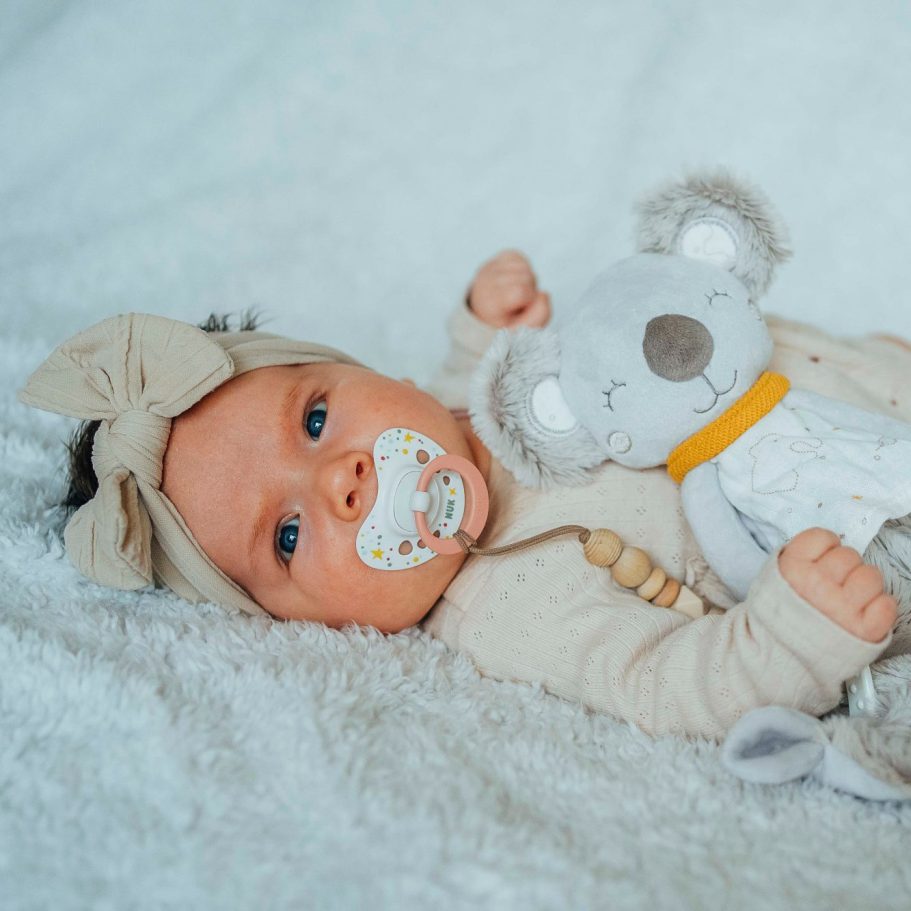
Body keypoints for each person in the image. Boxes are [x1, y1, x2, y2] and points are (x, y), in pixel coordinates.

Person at [20, 251, 907, 738]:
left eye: (319, 418)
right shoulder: (511, 608)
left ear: (363, 370)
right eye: (286, 537)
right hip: (867, 529)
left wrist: (485, 330)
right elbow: (662, 688)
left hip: (858, 374)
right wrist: (788, 634)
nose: (343, 479)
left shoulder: (471, 400)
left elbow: (447, 391)